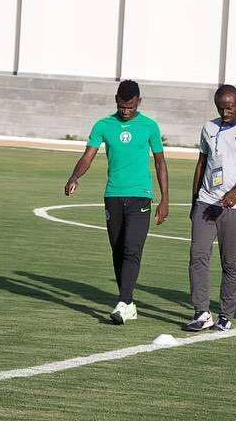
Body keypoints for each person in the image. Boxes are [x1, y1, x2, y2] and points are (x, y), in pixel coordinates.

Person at [64, 79, 169, 325]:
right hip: (113, 195)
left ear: (139, 102)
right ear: (116, 101)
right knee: (118, 250)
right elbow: (88, 156)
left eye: (130, 107)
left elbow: (160, 163)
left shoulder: (149, 126)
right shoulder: (103, 125)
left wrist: (165, 200)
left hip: (140, 195)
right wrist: (74, 177)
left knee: (132, 249)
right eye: (122, 106)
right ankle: (129, 303)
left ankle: (122, 302)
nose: (126, 111)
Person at [185, 84, 236, 332]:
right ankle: (201, 312)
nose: (225, 112)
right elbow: (202, 164)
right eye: (221, 107)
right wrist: (194, 199)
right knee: (198, 255)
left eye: (230, 107)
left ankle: (226, 314)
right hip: (206, 202)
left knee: (230, 263)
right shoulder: (209, 127)